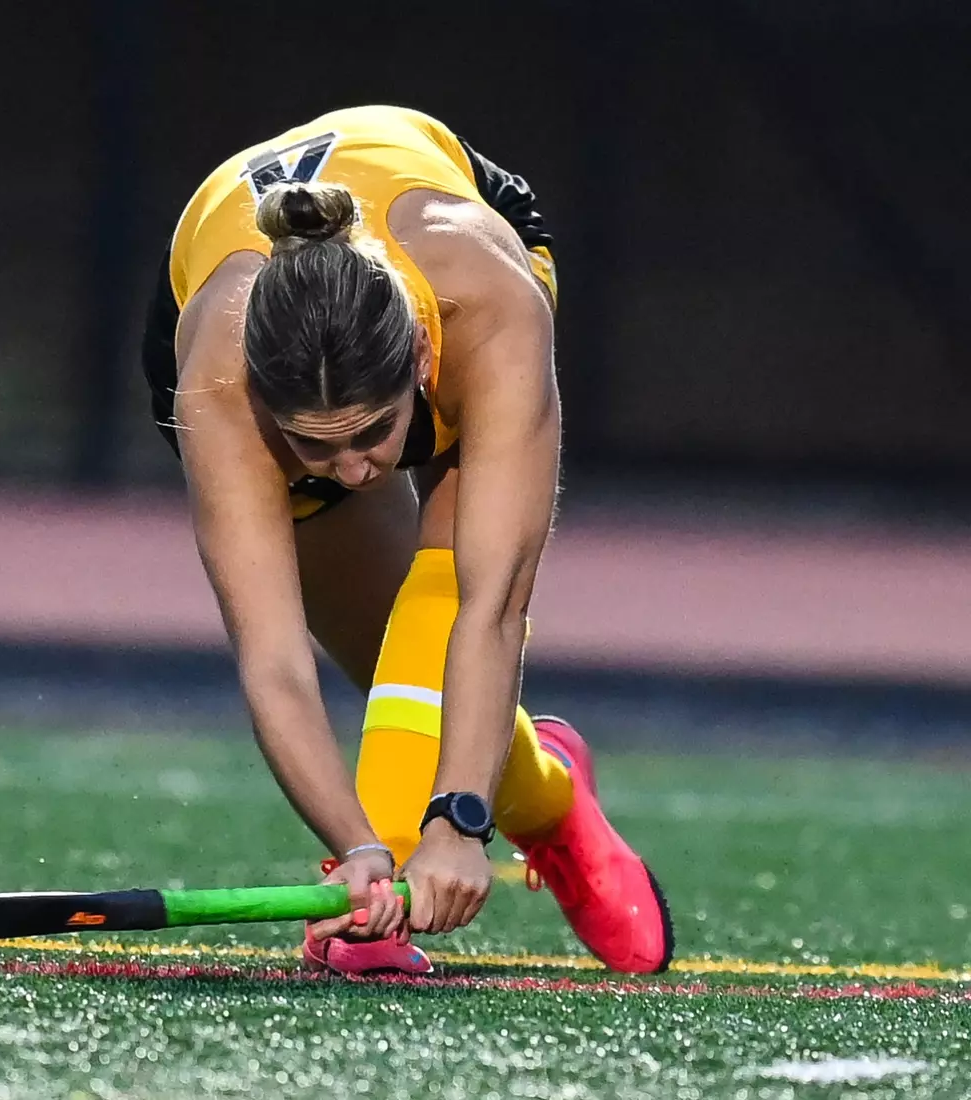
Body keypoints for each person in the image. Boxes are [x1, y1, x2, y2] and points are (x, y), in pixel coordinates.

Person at [140, 105, 673, 975]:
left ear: (420, 357)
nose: (354, 472)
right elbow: (273, 663)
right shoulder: (220, 383)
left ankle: (483, 822)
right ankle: (551, 798)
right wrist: (357, 852)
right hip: (218, 304)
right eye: (315, 445)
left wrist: (454, 821)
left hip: (463, 250)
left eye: (373, 435)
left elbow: (492, 609)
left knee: (451, 588)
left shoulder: (487, 309)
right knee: (388, 664)